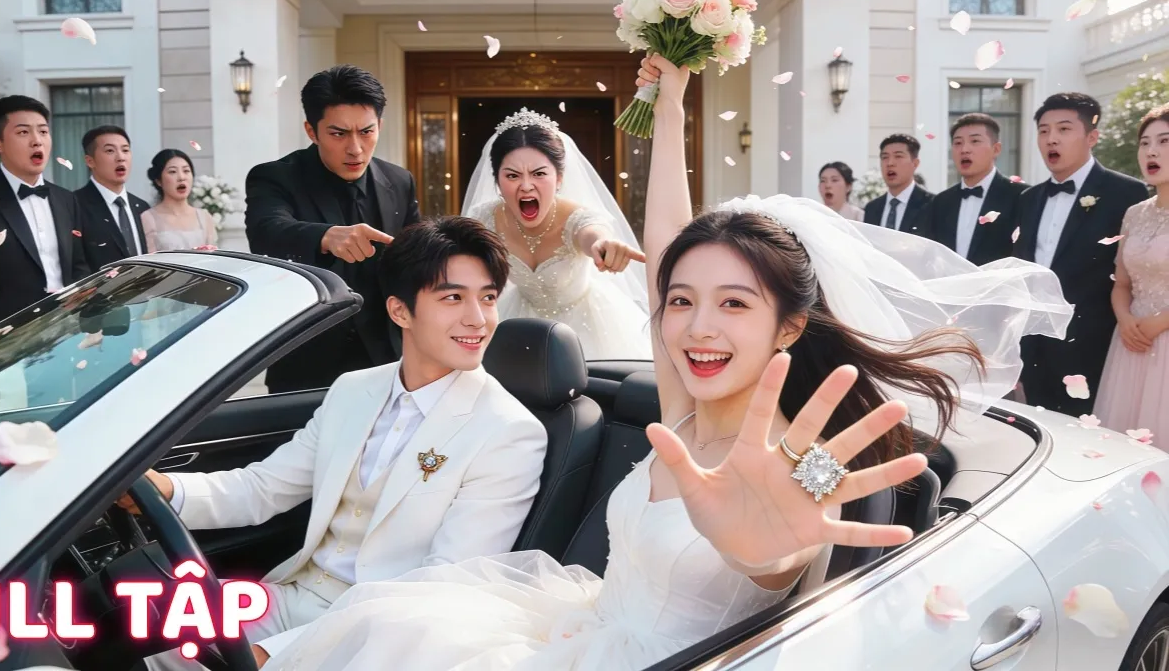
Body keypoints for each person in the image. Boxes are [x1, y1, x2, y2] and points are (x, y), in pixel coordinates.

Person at [260, 56, 1071, 671]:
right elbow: (667, 248)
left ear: (790, 327)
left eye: (735, 305)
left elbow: (781, 534)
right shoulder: (685, 409)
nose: (696, 327)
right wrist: (674, 105)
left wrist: (767, 554)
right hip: (575, 629)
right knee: (380, 628)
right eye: (681, 302)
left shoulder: (800, 458)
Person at [133, 216, 546, 669]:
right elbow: (262, 488)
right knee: (147, 639)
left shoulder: (508, 431)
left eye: (488, 298)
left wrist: (278, 653)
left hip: (385, 639)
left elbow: (441, 588)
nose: (478, 319)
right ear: (400, 311)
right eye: (453, 298)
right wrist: (165, 490)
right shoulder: (353, 390)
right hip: (290, 597)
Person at [245, 65, 421, 393]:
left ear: (380, 126)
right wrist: (325, 237)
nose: (355, 148)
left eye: (366, 132)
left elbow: (418, 256)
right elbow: (266, 230)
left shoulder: (399, 180)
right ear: (311, 131)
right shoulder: (275, 176)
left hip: (389, 362)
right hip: (307, 364)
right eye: (338, 134)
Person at [461, 108, 651, 359]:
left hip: (588, 327)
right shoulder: (484, 219)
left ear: (559, 178)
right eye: (512, 176)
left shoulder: (578, 218)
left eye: (539, 174)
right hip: (519, 322)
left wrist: (603, 244)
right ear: (497, 181)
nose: (526, 186)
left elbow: (593, 234)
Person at [1013, 92, 1149, 416]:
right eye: (1044, 131)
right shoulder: (1028, 198)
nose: (1051, 139)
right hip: (1034, 348)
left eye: (1063, 129)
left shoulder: (1125, 192)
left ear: (1092, 137)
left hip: (1093, 347)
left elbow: (1134, 274)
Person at [0, 95, 91, 328]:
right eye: (23, 132)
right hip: (4, 333)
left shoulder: (66, 199)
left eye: (43, 132)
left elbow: (78, 265)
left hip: (66, 328)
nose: (37, 141)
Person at [1094, 104, 1169, 443]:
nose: (1151, 151)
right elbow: (1122, 283)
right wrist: (1124, 319)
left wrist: (1161, 322)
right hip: (1131, 343)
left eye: (1164, 141)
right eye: (1145, 143)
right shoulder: (1135, 214)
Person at [920, 113, 1027, 266]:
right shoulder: (940, 202)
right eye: (958, 143)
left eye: (975, 141)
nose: (964, 149)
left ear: (996, 149)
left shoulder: (1021, 196)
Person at [75, 125, 150, 271]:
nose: (121, 157)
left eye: (125, 150)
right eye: (110, 151)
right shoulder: (74, 205)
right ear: (90, 161)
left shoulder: (142, 207)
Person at [140, 149, 216, 251]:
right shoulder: (148, 218)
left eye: (186, 171)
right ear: (158, 181)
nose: (181, 177)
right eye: (172, 172)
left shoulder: (204, 217)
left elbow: (213, 256)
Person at [864, 134, 932, 234]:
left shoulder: (931, 205)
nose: (890, 163)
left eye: (898, 156)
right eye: (885, 157)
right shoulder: (872, 208)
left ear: (915, 163)